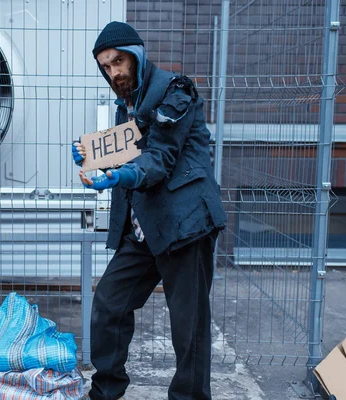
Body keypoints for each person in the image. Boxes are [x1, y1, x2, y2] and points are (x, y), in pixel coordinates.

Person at [71, 21, 227, 400]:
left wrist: (120, 176)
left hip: (186, 224)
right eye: (106, 66)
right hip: (146, 229)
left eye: (119, 61)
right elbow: (131, 146)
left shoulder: (176, 91)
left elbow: (160, 157)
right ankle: (106, 392)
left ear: (137, 56)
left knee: (189, 327)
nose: (114, 72)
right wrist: (93, 155)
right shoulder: (129, 103)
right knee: (109, 302)